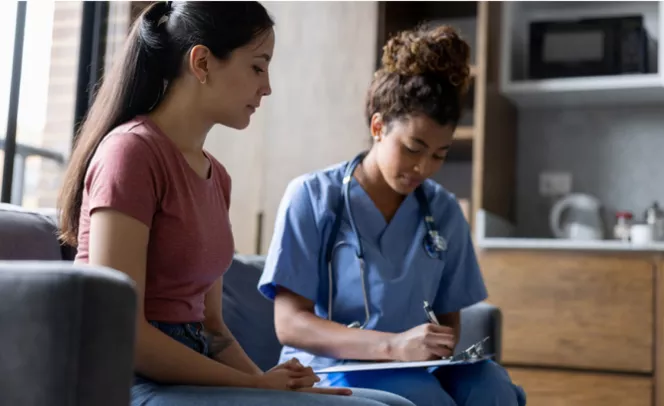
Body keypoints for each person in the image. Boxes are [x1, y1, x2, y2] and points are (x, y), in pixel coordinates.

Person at [56, 2, 415, 406]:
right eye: (258, 67)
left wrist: (275, 384)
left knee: (393, 405)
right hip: (130, 380)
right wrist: (257, 387)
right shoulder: (130, 153)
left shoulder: (217, 177)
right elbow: (124, 332)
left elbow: (214, 330)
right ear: (203, 62)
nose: (267, 87)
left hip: (195, 373)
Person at [257, 24, 527, 406]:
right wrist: (393, 346)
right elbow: (289, 324)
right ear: (378, 126)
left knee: (492, 387)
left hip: (415, 366)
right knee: (423, 399)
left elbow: (447, 324)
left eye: (439, 154)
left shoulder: (444, 210)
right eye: (414, 148)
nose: (424, 168)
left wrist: (431, 348)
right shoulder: (312, 197)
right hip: (330, 366)